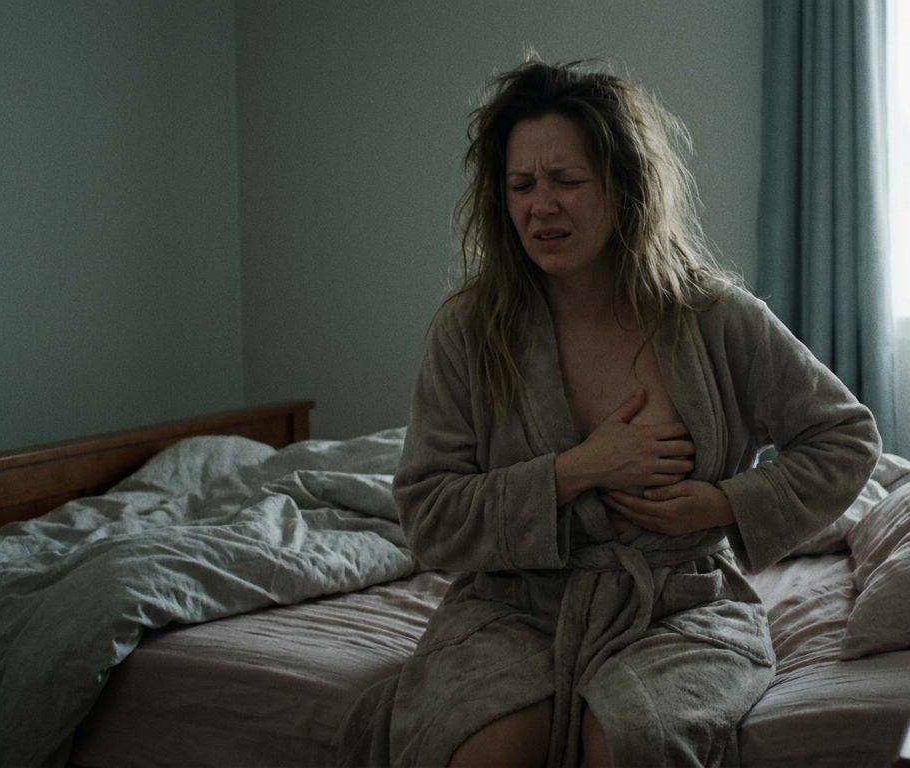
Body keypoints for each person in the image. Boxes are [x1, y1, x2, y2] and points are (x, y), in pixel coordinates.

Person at [337, 56, 880, 768]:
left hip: (677, 602)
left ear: (624, 188)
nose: (542, 205)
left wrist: (719, 504)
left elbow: (844, 439)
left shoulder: (715, 318)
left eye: (567, 181)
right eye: (521, 185)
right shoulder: (471, 331)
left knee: (632, 741)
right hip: (510, 605)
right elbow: (430, 514)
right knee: (486, 749)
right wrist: (574, 470)